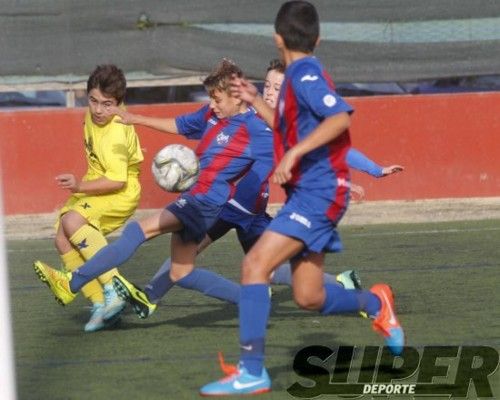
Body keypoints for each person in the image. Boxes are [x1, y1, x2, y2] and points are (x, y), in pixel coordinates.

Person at [200, 1, 405, 395]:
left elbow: (340, 117)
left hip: (319, 193)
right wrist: (255, 100)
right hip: (311, 195)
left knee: (254, 265)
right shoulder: (298, 76)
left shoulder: (306, 73)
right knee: (309, 296)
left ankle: (252, 371)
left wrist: (293, 154)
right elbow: (285, 126)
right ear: (318, 37)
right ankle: (377, 304)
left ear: (277, 38)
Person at [111, 58, 403, 320]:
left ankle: (341, 286)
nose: (271, 92)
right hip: (226, 205)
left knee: (257, 267)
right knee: (194, 252)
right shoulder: (237, 112)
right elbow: (191, 125)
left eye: (278, 87)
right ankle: (149, 297)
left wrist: (373, 170)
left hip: (248, 209)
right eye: (268, 85)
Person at [32, 59, 275, 319]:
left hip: (203, 202)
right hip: (198, 200)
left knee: (137, 231)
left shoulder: (256, 129)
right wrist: (134, 118)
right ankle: (251, 298)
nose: (212, 105)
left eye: (218, 100)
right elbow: (180, 125)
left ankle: (70, 284)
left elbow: (286, 143)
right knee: (181, 272)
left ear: (238, 98)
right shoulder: (212, 114)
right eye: (211, 99)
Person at [34, 64, 142, 332]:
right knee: (61, 237)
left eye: (107, 104)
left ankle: (113, 288)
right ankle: (100, 305)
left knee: (72, 221)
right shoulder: (92, 116)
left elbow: (118, 179)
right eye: (93, 101)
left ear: (118, 104)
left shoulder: (115, 129)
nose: (98, 110)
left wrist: (80, 185)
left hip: (120, 191)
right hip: (98, 184)